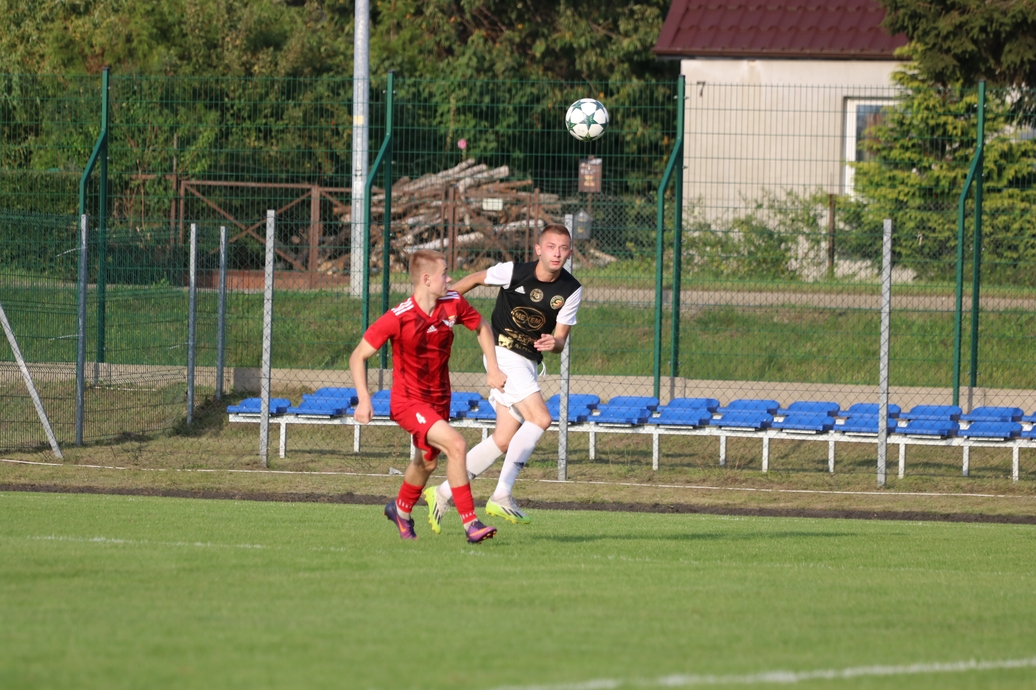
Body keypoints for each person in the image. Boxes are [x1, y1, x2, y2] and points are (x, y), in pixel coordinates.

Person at [424, 223, 582, 530]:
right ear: (538, 249)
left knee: (503, 439)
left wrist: (554, 343)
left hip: (528, 363)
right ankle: (502, 494)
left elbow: (561, 340)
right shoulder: (514, 272)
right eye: (551, 247)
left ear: (570, 253)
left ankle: (442, 493)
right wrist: (441, 304)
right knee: (541, 418)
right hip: (502, 353)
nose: (557, 253)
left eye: (563, 248)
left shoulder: (571, 289)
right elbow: (474, 278)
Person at [349, 249, 507, 543]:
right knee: (457, 445)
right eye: (444, 274)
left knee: (428, 462)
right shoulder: (398, 317)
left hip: (439, 399)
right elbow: (358, 356)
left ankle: (400, 511)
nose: (450, 279)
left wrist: (494, 369)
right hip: (408, 401)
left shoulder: (453, 303)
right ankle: (471, 524)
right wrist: (364, 398)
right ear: (426, 279)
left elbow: (482, 326)